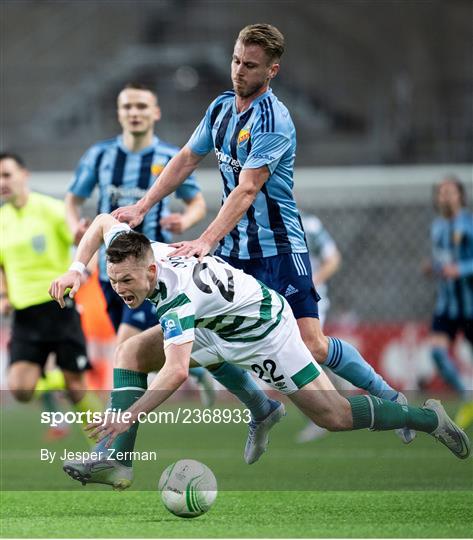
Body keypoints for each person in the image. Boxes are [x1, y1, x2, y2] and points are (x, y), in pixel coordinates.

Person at [112, 24, 414, 444]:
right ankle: (262, 408)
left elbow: (248, 188)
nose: (238, 71)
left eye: (250, 65)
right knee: (205, 330)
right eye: (236, 60)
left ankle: (391, 399)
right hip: (236, 250)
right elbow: (184, 158)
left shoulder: (275, 120)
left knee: (314, 345)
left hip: (279, 249)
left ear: (272, 70)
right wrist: (143, 206)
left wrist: (206, 240)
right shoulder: (219, 109)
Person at [49, 214, 470, 490]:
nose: (119, 290)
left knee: (335, 416)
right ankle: (117, 461)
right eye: (113, 280)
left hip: (266, 332)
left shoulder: (177, 301)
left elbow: (176, 373)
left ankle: (428, 417)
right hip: (218, 322)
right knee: (132, 351)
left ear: (152, 270)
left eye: (126, 281)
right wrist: (76, 269)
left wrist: (128, 413)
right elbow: (104, 222)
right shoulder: (139, 250)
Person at [65, 82, 215, 404]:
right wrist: (74, 225)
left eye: (142, 106)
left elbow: (198, 204)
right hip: (111, 275)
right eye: (128, 107)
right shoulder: (100, 154)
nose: (135, 113)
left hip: (153, 273)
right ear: (119, 113)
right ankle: (200, 365)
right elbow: (72, 200)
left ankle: (115, 435)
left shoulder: (168, 156)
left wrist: (185, 221)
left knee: (126, 348)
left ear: (155, 112)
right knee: (143, 350)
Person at [0, 152, 101, 436]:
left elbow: (87, 240)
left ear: (24, 175)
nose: (2, 182)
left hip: (59, 306)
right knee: (20, 389)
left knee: (76, 386)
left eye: (7, 174)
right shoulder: (1, 220)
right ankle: (56, 381)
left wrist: (85, 272)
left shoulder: (52, 209)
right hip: (24, 314)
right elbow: (2, 265)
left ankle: (106, 450)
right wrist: (4, 296)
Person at [424, 176, 473, 429]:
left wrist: (461, 269)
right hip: (447, 305)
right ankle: (469, 397)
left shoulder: (470, 224)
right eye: (440, 192)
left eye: (449, 191)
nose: (444, 196)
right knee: (436, 352)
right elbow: (443, 260)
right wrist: (433, 267)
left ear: (460, 196)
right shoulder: (437, 227)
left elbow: (461, 263)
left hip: (470, 305)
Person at [296, 214, 341, 443]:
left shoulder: (309, 226)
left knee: (309, 349)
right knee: (308, 353)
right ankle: (340, 381)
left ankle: (322, 414)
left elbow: (332, 259)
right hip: (282, 302)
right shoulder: (261, 227)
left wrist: (312, 282)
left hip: (311, 299)